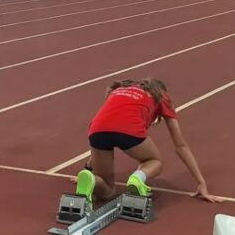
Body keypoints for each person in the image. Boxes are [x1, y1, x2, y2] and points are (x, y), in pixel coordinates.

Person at [75, 79, 221, 205]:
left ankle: (90, 179)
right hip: (129, 129)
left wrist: (88, 169)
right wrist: (201, 182)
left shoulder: (120, 90)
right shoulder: (162, 96)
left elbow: (108, 126)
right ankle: (137, 178)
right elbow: (180, 145)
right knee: (155, 161)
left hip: (97, 129)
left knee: (107, 191)